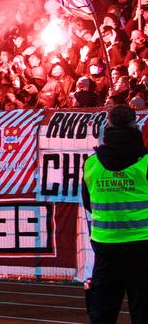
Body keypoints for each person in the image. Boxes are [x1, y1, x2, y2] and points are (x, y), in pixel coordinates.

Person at [82, 104, 148, 323]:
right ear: (134, 126)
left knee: (103, 310)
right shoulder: (145, 162)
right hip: (142, 246)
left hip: (106, 247)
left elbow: (88, 203)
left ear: (107, 126)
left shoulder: (91, 164)